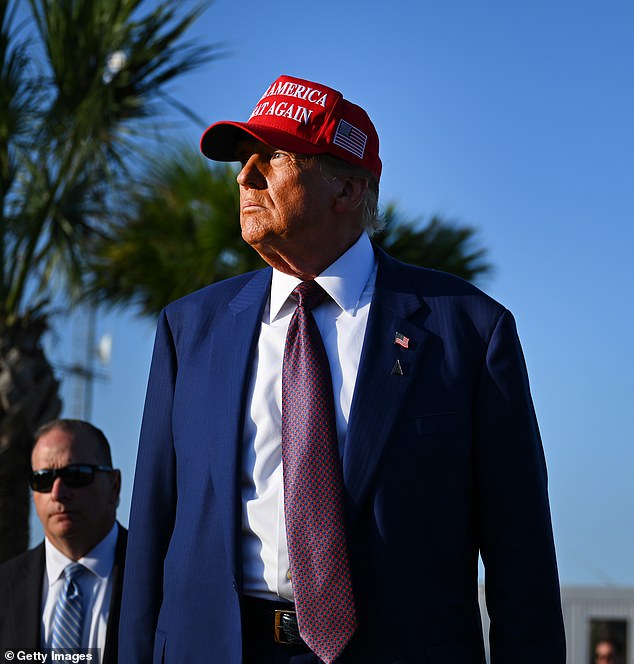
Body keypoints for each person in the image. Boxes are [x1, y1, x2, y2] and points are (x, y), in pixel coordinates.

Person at [119, 74, 566, 663]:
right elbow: (152, 531)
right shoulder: (190, 329)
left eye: (271, 158)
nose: (244, 177)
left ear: (349, 189)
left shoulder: (470, 332)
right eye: (244, 160)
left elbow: (521, 554)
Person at [0, 419, 126, 663]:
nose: (57, 493)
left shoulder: (159, 579)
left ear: (114, 486)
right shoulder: (4, 587)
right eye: (43, 479)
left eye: (76, 475)